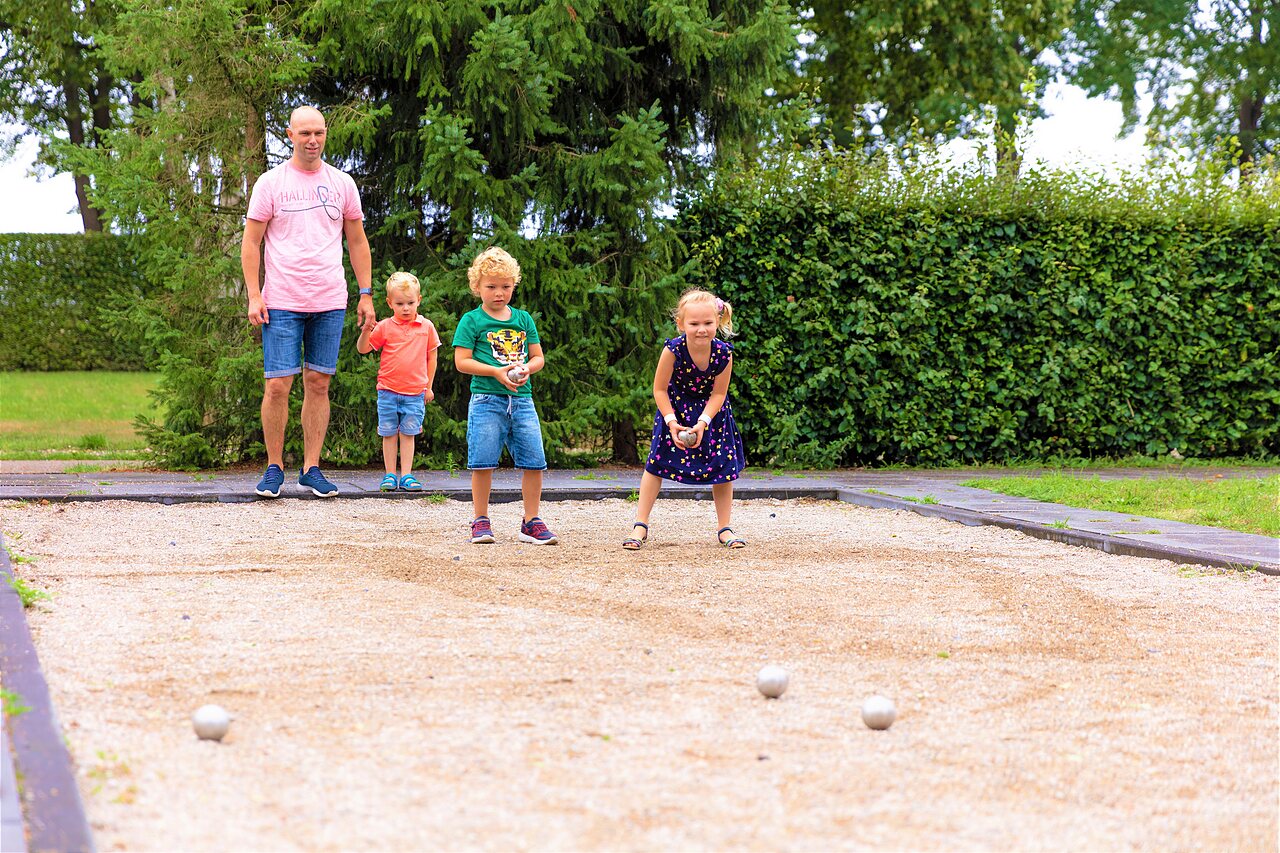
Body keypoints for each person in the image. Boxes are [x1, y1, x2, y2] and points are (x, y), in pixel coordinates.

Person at [241, 105, 374, 498]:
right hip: (281, 299)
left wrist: (366, 294)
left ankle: (312, 468)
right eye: (304, 134)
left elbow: (357, 241)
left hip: (330, 299)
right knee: (278, 385)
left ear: (326, 134)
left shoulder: (342, 183)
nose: (312, 140)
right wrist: (254, 293)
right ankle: (273, 468)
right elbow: (251, 242)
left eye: (318, 133)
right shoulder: (271, 183)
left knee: (318, 383)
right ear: (290, 134)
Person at [622, 288, 746, 549]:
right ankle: (640, 525)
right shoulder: (673, 350)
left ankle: (725, 528)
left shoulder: (724, 354)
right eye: (694, 324)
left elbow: (719, 393)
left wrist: (703, 422)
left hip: (712, 416)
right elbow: (659, 389)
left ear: (718, 321)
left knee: (722, 468)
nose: (702, 329)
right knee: (655, 464)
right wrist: (671, 421)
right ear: (681, 324)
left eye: (708, 323)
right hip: (674, 412)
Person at [452, 247, 558, 545]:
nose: (499, 293)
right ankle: (480, 520)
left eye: (506, 286)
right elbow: (462, 362)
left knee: (534, 461)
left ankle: (531, 521)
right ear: (477, 287)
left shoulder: (523, 319)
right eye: (491, 287)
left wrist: (527, 367)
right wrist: (496, 372)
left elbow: (538, 358)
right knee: (482, 461)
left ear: (514, 285)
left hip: (522, 400)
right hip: (486, 400)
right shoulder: (472, 320)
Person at [356, 271, 442, 492]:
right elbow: (364, 349)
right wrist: (367, 330)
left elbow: (432, 357)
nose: (406, 308)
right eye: (400, 303)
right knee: (388, 433)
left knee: (409, 433)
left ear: (419, 300)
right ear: (389, 303)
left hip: (415, 392)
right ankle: (389, 475)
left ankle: (407, 475)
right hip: (387, 391)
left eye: (411, 303)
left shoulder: (426, 327)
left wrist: (428, 387)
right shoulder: (385, 326)